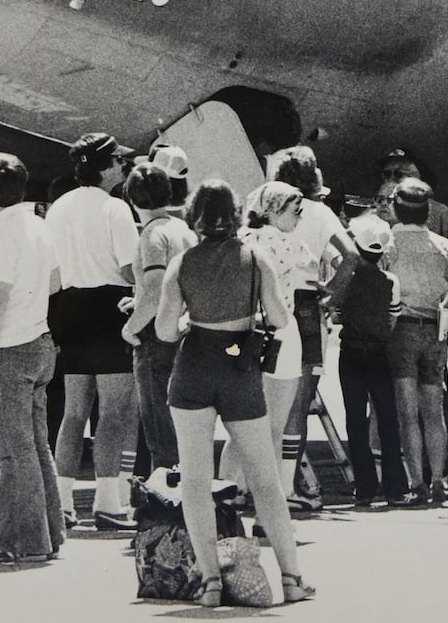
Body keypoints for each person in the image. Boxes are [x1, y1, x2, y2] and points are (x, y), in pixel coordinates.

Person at [155, 180, 313, 607]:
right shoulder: (254, 257)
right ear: (237, 214)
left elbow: (165, 330)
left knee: (195, 480)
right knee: (265, 479)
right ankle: (293, 578)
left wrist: (192, 323)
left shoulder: (182, 263)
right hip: (239, 366)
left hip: (194, 367)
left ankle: (209, 582)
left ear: (195, 216)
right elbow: (280, 318)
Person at [0, 153, 64, 563]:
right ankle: (49, 534)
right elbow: (54, 282)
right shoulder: (39, 225)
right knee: (37, 448)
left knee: (12, 454)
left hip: (8, 348)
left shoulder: (0, 233)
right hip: (39, 341)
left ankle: (20, 542)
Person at [44, 132, 141, 530]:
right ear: (104, 167)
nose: (122, 166)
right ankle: (107, 502)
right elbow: (127, 267)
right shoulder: (115, 208)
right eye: (117, 161)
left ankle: (64, 502)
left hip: (68, 306)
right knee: (114, 412)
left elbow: (51, 269)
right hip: (109, 307)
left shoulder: (59, 208)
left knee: (74, 412)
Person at [266, 145, 356, 511]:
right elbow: (350, 256)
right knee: (298, 406)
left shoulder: (264, 205)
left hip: (268, 305)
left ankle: (258, 483)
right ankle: (288, 486)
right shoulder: (318, 212)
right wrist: (332, 293)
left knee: (263, 402)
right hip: (304, 305)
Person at [223, 181, 318, 512]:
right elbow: (312, 268)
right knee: (266, 422)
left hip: (256, 333)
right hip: (272, 332)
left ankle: (235, 488)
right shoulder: (273, 242)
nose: (300, 217)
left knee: (252, 422)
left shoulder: (248, 239)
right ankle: (265, 496)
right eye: (295, 211)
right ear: (275, 210)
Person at [386, 179, 448, 505]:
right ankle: (439, 479)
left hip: (401, 328)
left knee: (408, 413)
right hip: (435, 329)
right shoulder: (442, 245)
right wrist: (445, 309)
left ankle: (416, 482)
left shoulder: (389, 243)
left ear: (396, 207)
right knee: (434, 409)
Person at [122, 158, 197, 473]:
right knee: (181, 422)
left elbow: (154, 290)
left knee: (158, 425)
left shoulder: (151, 235)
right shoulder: (182, 230)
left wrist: (130, 327)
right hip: (184, 330)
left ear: (132, 199)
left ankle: (167, 506)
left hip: (155, 336)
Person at [329, 214, 408, 506]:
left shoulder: (347, 280)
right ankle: (395, 486)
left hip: (350, 351)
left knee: (355, 420)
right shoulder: (390, 281)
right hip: (379, 353)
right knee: (388, 419)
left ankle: (364, 487)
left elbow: (335, 310)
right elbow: (393, 317)